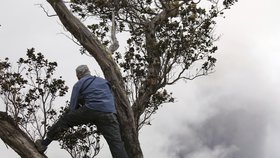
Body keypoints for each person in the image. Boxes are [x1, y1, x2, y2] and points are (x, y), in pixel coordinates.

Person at [35, 65, 129, 158]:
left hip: (90, 109)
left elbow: (73, 108)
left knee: (65, 120)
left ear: (78, 76)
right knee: (116, 143)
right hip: (109, 113)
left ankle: (44, 143)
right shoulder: (104, 82)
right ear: (89, 72)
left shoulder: (79, 84)